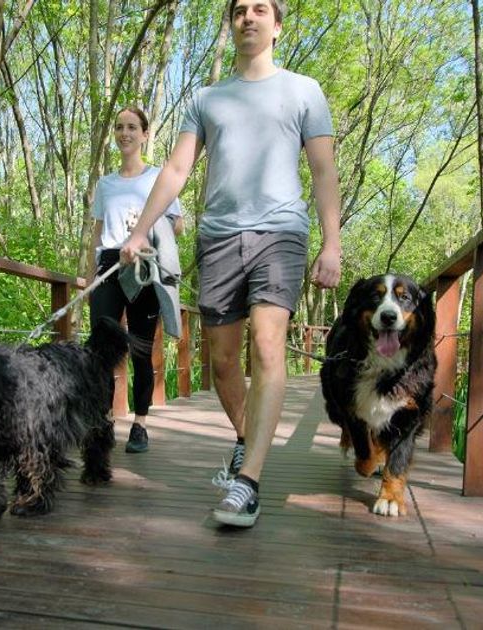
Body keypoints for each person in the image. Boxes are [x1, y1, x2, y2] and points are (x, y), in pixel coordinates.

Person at [120, 0, 341, 527]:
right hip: (218, 237)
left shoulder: (303, 90)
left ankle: (250, 481)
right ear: (233, 23)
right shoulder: (207, 98)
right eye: (240, 9)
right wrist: (140, 229)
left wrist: (332, 243)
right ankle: (247, 437)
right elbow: (176, 169)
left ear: (277, 26)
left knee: (266, 345)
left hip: (280, 233)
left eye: (260, 9)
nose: (249, 16)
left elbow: (323, 169)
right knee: (221, 361)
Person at [89, 105, 184, 454]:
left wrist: (145, 229)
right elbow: (98, 231)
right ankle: (102, 423)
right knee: (100, 350)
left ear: (144, 134)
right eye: (119, 127)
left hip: (144, 264)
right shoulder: (105, 184)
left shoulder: (159, 178)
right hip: (110, 266)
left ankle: (140, 425)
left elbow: (178, 225)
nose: (124, 133)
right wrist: (89, 276)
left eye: (132, 127)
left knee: (141, 349)